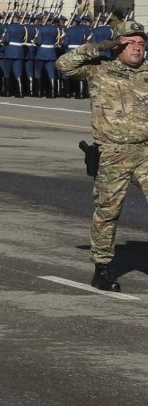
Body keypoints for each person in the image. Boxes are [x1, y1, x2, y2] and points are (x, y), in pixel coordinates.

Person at [57, 18, 148, 292]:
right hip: (112, 153)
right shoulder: (100, 71)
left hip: (145, 151)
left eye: (141, 43)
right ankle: (102, 268)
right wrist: (97, 47)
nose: (137, 48)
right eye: (130, 43)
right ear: (117, 46)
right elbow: (63, 65)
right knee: (108, 213)